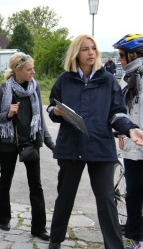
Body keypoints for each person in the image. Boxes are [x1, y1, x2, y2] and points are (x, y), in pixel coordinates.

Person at [46, 34, 143, 249]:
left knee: (107, 200)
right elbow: (52, 107)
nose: (91, 52)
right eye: (85, 49)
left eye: (93, 48)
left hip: (100, 147)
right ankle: (55, 240)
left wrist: (131, 129)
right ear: (75, 54)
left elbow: (117, 113)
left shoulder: (107, 80)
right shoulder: (65, 79)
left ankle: (114, 246)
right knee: (65, 197)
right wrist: (56, 111)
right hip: (70, 147)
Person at [0, 52, 55, 240]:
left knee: (36, 185)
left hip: (31, 141)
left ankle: (39, 228)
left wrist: (51, 144)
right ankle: (2, 218)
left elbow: (40, 119)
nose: (33, 72)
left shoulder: (35, 88)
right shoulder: (2, 90)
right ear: (17, 70)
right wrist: (7, 114)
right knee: (5, 180)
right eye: (29, 69)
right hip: (8, 141)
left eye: (33, 68)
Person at [113, 34, 143, 249]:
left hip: (139, 142)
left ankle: (139, 238)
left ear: (133, 55)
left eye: (122, 56)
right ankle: (134, 229)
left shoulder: (137, 76)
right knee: (133, 191)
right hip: (133, 142)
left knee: (134, 193)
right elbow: (125, 110)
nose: (120, 60)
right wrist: (123, 132)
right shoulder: (128, 76)